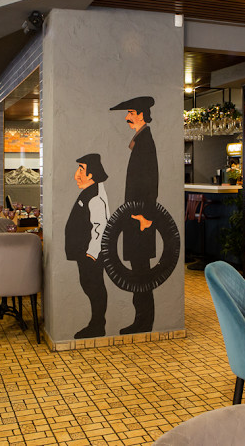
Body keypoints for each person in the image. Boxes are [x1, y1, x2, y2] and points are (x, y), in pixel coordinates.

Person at [109, 96, 158, 334]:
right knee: (139, 269)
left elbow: (150, 183)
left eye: (130, 112)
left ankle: (143, 321)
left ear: (140, 114)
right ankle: (142, 320)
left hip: (140, 220)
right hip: (136, 217)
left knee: (141, 271)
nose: (127, 117)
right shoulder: (141, 140)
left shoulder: (145, 142)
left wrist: (144, 216)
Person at [65, 154, 110, 338]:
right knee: (89, 285)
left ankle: (97, 325)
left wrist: (92, 254)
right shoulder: (89, 191)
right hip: (84, 252)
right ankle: (96, 323)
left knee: (94, 286)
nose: (76, 175)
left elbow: (101, 227)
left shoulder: (95, 196)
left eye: (81, 169)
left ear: (91, 174)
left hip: (91, 254)